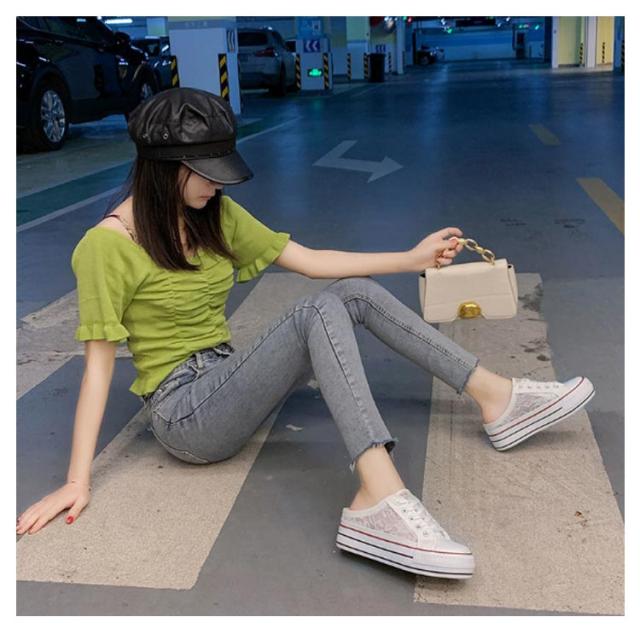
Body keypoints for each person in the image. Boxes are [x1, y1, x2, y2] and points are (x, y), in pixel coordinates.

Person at [16, 87, 595, 580]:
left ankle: (497, 399)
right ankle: (377, 496)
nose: (218, 185)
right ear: (165, 168)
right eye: (207, 173)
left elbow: (312, 260)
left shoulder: (212, 214)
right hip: (185, 415)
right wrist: (76, 481)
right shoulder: (107, 246)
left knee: (350, 292)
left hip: (226, 375)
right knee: (315, 313)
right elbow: (97, 369)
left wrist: (410, 258)